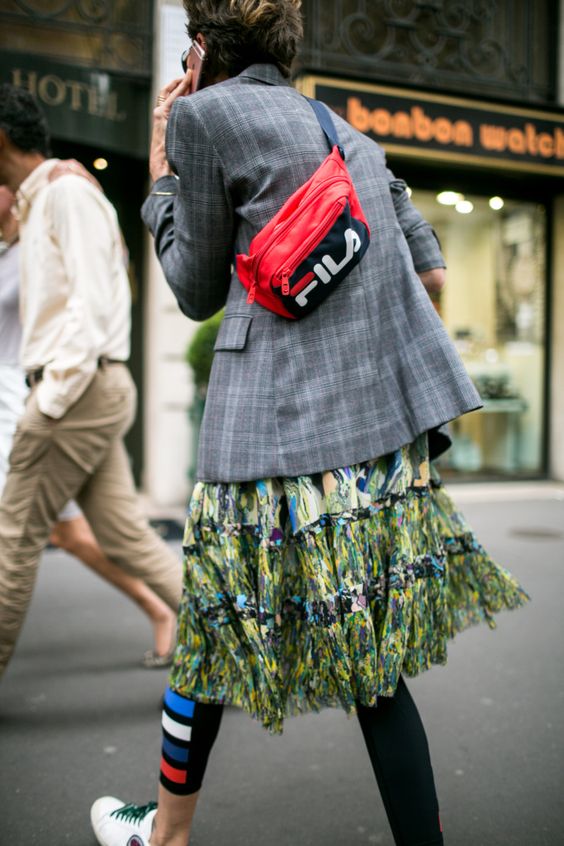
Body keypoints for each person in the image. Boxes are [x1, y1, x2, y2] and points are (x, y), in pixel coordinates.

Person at [90, 2, 529, 845]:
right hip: (370, 453)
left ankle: (165, 835)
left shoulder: (202, 119)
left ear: (202, 49)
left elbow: (193, 288)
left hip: (265, 442)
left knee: (212, 630)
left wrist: (161, 176)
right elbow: (430, 275)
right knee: (374, 671)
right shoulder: (349, 135)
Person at [0, 84, 184, 678]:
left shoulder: (65, 195)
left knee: (13, 540)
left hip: (75, 392)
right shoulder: (42, 198)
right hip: (86, 390)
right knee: (126, 538)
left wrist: (47, 401)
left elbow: (91, 307)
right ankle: (248, 636)